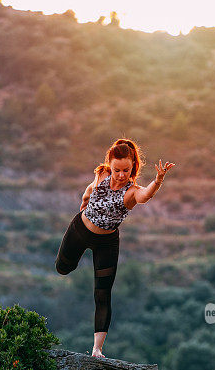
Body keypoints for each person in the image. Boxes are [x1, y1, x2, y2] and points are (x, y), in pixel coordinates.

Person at [55, 138, 175, 357]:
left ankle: (97, 349)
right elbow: (91, 188)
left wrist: (157, 181)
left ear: (133, 168)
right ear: (110, 165)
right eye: (117, 170)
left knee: (102, 293)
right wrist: (84, 200)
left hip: (106, 243)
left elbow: (145, 196)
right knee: (63, 268)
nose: (121, 175)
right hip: (79, 230)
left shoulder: (131, 192)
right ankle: (68, 263)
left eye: (126, 170)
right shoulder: (102, 174)